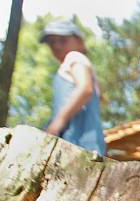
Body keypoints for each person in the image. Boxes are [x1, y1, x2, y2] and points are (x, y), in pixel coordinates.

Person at [40, 19, 106, 154]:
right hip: (86, 141)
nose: (57, 45)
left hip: (77, 141)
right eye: (52, 42)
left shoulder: (74, 57)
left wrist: (58, 122)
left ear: (79, 42)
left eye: (63, 40)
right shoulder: (80, 65)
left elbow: (85, 89)